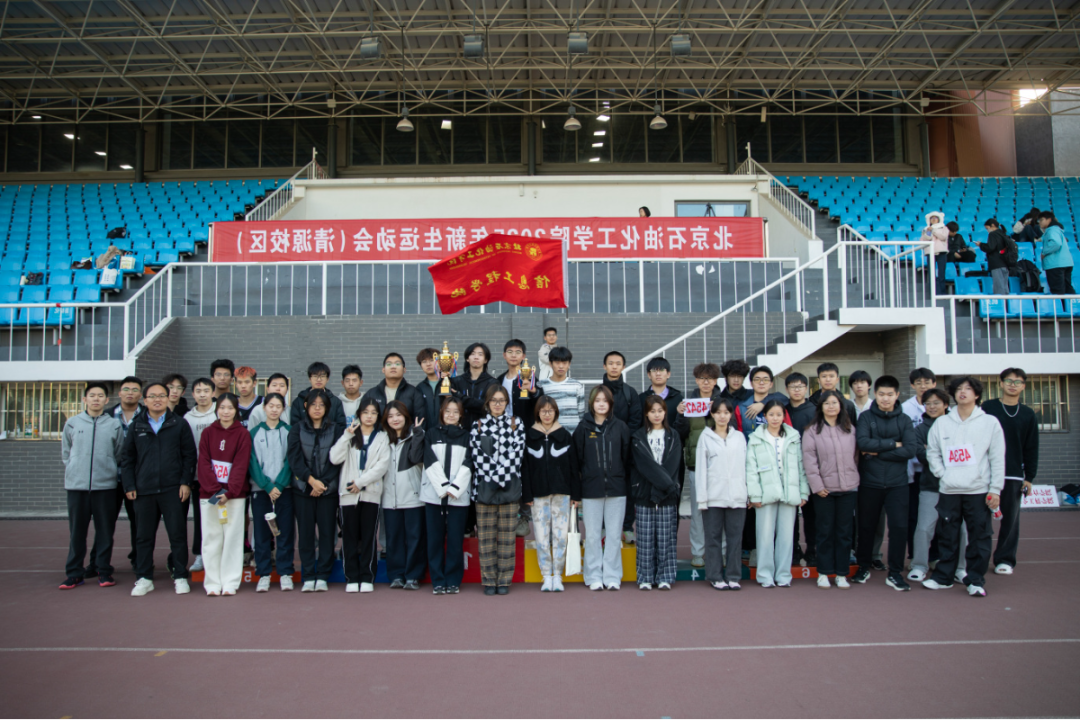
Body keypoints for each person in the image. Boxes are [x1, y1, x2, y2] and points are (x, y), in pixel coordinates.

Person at [924, 377, 1005, 597]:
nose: (962, 392)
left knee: (979, 536)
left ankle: (975, 579)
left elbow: (997, 458)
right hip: (949, 489)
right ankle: (943, 577)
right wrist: (943, 474)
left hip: (978, 490)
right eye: (959, 389)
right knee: (947, 535)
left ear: (976, 395)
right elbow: (932, 452)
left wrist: (995, 489)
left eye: (968, 389)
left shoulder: (989, 423)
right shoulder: (942, 422)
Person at [122, 382, 197, 597]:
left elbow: (189, 455)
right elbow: (127, 458)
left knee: (177, 535)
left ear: (168, 398)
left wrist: (185, 482)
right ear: (144, 400)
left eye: (162, 395)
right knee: (143, 536)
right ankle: (144, 577)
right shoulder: (137, 426)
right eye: (153, 396)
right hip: (143, 490)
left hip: (173, 489)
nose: (158, 399)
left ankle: (180, 576)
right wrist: (129, 484)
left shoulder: (179, 424)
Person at [852, 375, 917, 591]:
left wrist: (877, 452)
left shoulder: (904, 420)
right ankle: (863, 566)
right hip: (870, 482)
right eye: (881, 394)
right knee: (866, 526)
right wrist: (893, 444)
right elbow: (863, 443)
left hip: (898, 484)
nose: (885, 399)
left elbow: (910, 449)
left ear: (897, 395)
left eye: (890, 394)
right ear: (875, 394)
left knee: (899, 527)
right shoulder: (866, 417)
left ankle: (895, 572)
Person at [59, 382, 124, 590]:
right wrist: (75, 467)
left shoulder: (114, 425)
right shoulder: (72, 423)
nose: (96, 399)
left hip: (105, 487)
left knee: (105, 531)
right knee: (77, 532)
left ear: (107, 400)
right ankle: (74, 573)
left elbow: (119, 453)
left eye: (100, 395)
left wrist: (107, 468)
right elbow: (66, 452)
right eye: (92, 395)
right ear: (84, 399)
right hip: (77, 487)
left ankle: (103, 571)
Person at [573, 385, 631, 591]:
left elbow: (626, 458)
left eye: (605, 400)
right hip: (591, 490)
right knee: (592, 535)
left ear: (610, 403)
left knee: (614, 535)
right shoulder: (582, 428)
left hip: (616, 489)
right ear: (591, 403)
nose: (601, 404)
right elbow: (577, 460)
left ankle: (612, 576)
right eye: (597, 400)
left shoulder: (620, 427)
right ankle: (593, 576)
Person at [746, 399, 809, 588]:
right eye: (771, 414)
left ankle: (783, 575)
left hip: (789, 492)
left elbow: (801, 466)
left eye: (779, 415)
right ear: (765, 416)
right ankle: (765, 575)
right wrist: (754, 495)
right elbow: (751, 469)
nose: (775, 418)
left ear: (784, 416)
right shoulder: (755, 438)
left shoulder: (794, 437)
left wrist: (803, 492)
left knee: (786, 537)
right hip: (766, 494)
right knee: (764, 536)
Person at [982, 368, 1039, 575]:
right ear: (1001, 383)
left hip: (1013, 474)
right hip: (985, 473)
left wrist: (1029, 477)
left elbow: (1031, 446)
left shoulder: (1028, 414)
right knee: (980, 518)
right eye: (1008, 381)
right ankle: (978, 559)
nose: (1012, 385)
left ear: (1023, 386)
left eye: (1017, 382)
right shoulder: (988, 407)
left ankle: (1004, 560)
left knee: (1011, 520)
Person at [330, 398, 390, 594]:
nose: (369, 416)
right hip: (348, 495)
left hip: (370, 494)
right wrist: (346, 436)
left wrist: (360, 482)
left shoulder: (382, 437)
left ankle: (367, 576)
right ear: (359, 415)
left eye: (373, 413)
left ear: (378, 416)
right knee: (349, 537)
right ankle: (351, 577)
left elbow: (382, 466)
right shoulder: (349, 435)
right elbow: (334, 458)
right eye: (365, 412)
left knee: (368, 537)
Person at [470, 385, 526, 596]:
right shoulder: (478, 425)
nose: (497, 404)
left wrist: (500, 477)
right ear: (487, 403)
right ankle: (488, 580)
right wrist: (496, 477)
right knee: (485, 538)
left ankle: (504, 580)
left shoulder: (516, 423)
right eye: (493, 400)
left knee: (506, 538)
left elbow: (517, 454)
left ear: (507, 403)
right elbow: (477, 455)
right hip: (484, 487)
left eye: (501, 400)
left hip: (509, 488)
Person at [287, 388, 343, 592]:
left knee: (327, 534)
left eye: (321, 405)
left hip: (328, 491)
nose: (317, 408)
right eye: (313, 405)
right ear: (306, 406)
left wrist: (322, 484)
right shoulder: (297, 429)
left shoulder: (336, 430)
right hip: (303, 490)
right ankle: (309, 575)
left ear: (327, 408)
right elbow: (294, 459)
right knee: (306, 534)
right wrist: (311, 481)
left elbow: (337, 460)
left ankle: (323, 576)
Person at [683, 362, 739, 568]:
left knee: (720, 509)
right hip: (695, 465)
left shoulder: (724, 402)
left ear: (716, 381)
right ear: (696, 380)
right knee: (698, 511)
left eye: (710, 379)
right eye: (701, 378)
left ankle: (721, 552)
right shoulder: (689, 403)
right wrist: (680, 414)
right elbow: (681, 432)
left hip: (721, 466)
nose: (705, 382)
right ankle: (698, 552)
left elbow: (732, 430)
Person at [802, 390, 859, 589]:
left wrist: (853, 478)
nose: (831, 406)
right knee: (824, 532)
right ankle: (824, 572)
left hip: (848, 489)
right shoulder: (812, 431)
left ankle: (842, 573)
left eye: (835, 403)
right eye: (827, 403)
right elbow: (809, 461)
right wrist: (817, 486)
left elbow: (856, 456)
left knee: (844, 533)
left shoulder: (849, 429)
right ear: (821, 407)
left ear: (841, 406)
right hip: (824, 491)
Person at [195, 393, 251, 597]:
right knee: (211, 538)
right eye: (222, 407)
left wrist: (230, 491)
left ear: (236, 410)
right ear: (216, 409)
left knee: (233, 539)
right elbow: (203, 463)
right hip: (209, 496)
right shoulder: (208, 433)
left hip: (234, 496)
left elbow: (241, 465)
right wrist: (215, 490)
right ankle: (212, 582)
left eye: (230, 408)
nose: (226, 412)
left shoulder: (242, 434)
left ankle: (230, 582)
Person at [908, 388, 966, 583]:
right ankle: (919, 566)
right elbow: (923, 456)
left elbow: (962, 455)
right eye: (928, 403)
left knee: (961, 530)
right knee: (924, 528)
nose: (931, 407)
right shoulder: (919, 429)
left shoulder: (958, 425)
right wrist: (942, 452)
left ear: (946, 405)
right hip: (930, 486)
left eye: (936, 403)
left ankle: (960, 568)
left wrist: (933, 450)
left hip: (957, 486)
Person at [523, 396, 579, 592]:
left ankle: (557, 575)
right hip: (538, 495)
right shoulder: (530, 435)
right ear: (537, 413)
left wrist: (575, 495)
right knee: (541, 536)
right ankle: (546, 575)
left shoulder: (565, 435)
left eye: (550, 411)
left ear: (556, 412)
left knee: (560, 536)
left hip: (562, 494)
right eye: (543, 411)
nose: (547, 414)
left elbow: (574, 467)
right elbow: (525, 468)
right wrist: (527, 494)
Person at [420, 397, 472, 595]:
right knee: (434, 540)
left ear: (461, 415)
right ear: (442, 412)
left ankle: (453, 580)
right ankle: (438, 581)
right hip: (434, 495)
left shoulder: (467, 436)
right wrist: (443, 486)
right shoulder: (431, 433)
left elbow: (469, 462)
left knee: (455, 542)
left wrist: (455, 488)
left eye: (455, 411)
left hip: (458, 497)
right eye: (448, 411)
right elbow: (429, 460)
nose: (451, 415)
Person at [695, 397, 748, 590]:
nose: (722, 416)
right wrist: (702, 499)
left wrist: (747, 493)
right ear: (712, 414)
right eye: (718, 412)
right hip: (713, 497)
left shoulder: (739, 437)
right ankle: (715, 576)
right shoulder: (705, 437)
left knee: (735, 539)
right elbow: (701, 470)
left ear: (731, 414)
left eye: (726, 412)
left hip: (737, 496)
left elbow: (746, 466)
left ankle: (733, 576)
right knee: (713, 538)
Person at [630, 396, 682, 591]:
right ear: (646, 413)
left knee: (666, 539)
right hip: (645, 495)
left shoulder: (673, 435)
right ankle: (645, 577)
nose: (657, 415)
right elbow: (645, 466)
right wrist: (660, 488)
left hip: (667, 496)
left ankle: (665, 577)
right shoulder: (638, 437)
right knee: (645, 539)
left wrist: (662, 491)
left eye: (660, 410)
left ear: (665, 412)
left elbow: (672, 465)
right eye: (652, 411)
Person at [249, 392, 296, 592]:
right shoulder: (253, 433)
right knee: (261, 534)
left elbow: (291, 461)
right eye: (271, 406)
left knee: (285, 532)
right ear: (264, 408)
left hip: (285, 491)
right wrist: (267, 486)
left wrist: (280, 485)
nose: (274, 409)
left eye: (278, 406)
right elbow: (252, 462)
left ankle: (285, 572)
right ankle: (264, 573)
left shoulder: (289, 431)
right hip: (261, 491)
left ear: (283, 409)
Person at [499, 339, 545, 537]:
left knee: (525, 472)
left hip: (525, 433)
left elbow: (541, 402)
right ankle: (508, 514)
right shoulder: (498, 380)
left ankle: (524, 517)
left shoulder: (530, 377)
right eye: (510, 351)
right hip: (503, 433)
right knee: (506, 472)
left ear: (524, 356)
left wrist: (534, 391)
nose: (514, 355)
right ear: (504, 355)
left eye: (518, 352)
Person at [380, 401, 428, 591]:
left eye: (398, 415)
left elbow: (416, 458)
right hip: (389, 498)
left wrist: (417, 435)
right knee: (394, 539)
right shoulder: (382, 439)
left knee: (415, 538)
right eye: (390, 416)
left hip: (413, 497)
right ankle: (396, 575)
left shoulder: (416, 435)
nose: (395, 419)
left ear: (406, 417)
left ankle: (413, 576)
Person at [601, 350, 640, 543]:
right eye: (611, 363)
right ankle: (603, 528)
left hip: (625, 451)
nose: (614, 367)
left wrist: (621, 443)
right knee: (602, 489)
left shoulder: (630, 392)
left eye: (618, 363)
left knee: (627, 489)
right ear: (604, 366)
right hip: (601, 450)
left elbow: (636, 421)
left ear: (623, 367)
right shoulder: (598, 392)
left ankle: (627, 527)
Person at [107, 375, 144, 574]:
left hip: (137, 480)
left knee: (138, 524)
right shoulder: (105, 415)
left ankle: (139, 560)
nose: (130, 393)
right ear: (120, 392)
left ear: (141, 394)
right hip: (110, 479)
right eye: (127, 389)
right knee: (105, 524)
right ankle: (99, 563)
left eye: (135, 389)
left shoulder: (148, 415)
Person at [901, 368, 937, 563]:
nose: (923, 386)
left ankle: (936, 556)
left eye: (927, 382)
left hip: (936, 473)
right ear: (912, 385)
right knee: (914, 516)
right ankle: (915, 555)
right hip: (913, 472)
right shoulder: (906, 408)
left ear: (934, 383)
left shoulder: (944, 410)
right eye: (919, 383)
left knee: (937, 517)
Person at [184, 378, 218, 573]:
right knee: (201, 516)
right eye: (198, 391)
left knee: (219, 515)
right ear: (193, 394)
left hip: (219, 479)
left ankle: (220, 553)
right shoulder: (187, 418)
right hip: (198, 479)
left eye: (206, 390)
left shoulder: (219, 413)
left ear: (213, 393)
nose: (203, 394)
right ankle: (200, 554)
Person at [785, 372, 816, 567]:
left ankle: (812, 548)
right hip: (787, 467)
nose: (796, 390)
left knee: (811, 512)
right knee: (790, 512)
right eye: (793, 386)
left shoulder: (814, 411)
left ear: (806, 388)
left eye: (800, 386)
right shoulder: (782, 409)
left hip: (809, 466)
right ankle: (794, 548)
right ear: (787, 389)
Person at [361, 353, 424, 423]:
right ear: (383, 370)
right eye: (389, 364)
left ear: (404, 370)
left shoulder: (414, 393)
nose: (393, 367)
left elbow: (420, 420)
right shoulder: (371, 394)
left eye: (397, 364)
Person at [539, 346, 586, 432]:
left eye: (564, 363)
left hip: (573, 434)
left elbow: (581, 414)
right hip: (550, 434)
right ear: (550, 364)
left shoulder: (577, 386)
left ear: (569, 364)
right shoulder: (541, 385)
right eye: (557, 362)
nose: (561, 366)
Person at [451, 342, 498, 428]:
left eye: (480, 354)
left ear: (485, 360)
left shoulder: (493, 383)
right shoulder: (457, 381)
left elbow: (488, 406)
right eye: (472, 354)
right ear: (467, 358)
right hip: (461, 429)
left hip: (484, 429)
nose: (476, 357)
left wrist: (460, 397)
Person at [291, 362, 348, 429]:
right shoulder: (299, 401)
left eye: (322, 376)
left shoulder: (336, 402)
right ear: (310, 379)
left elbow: (341, 426)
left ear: (327, 379)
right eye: (315, 376)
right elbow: (295, 426)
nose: (319, 380)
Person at [739, 366, 788, 438]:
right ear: (751, 384)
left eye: (765, 380)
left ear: (771, 384)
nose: (761, 383)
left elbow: (788, 431)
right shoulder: (741, 408)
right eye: (757, 379)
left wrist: (763, 403)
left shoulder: (780, 406)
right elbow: (739, 435)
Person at [1038, 210, 1075, 294]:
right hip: (1066, 263)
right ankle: (1073, 303)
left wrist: (1044, 252)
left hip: (1055, 264)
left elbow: (1056, 243)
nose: (1039, 222)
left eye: (1041, 220)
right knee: (1068, 289)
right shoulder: (1057, 229)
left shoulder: (1051, 230)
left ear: (1049, 219)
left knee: (1057, 291)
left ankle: (1060, 303)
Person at [979, 218, 1011, 295]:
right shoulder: (1003, 233)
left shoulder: (993, 234)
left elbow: (990, 247)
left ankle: (1000, 302)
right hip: (1005, 263)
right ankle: (1006, 302)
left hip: (996, 263)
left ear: (992, 225)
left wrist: (981, 245)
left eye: (987, 228)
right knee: (1005, 287)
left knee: (999, 288)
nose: (987, 230)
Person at [922, 212, 950, 294]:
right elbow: (924, 240)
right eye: (932, 218)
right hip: (930, 253)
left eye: (935, 217)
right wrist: (928, 232)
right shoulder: (925, 229)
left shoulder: (944, 228)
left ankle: (942, 293)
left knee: (941, 274)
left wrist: (933, 230)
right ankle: (932, 293)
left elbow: (943, 237)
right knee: (931, 274)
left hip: (941, 253)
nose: (934, 219)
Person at [415, 348, 442, 424]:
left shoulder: (450, 384)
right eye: (424, 361)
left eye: (431, 360)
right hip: (427, 429)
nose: (428, 364)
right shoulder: (419, 388)